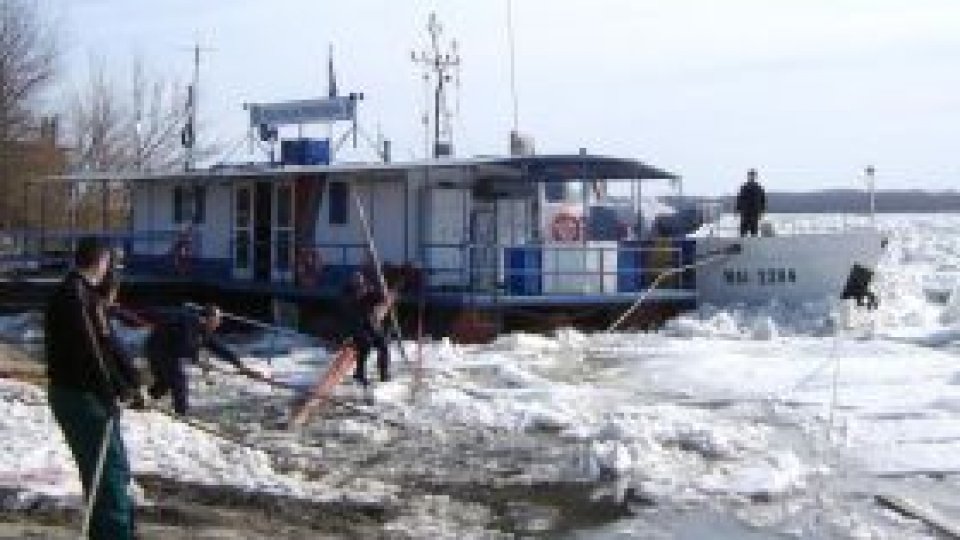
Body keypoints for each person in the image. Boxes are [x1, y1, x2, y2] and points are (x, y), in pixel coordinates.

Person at [44, 236, 137, 540]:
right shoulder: (75, 295)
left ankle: (110, 532)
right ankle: (113, 534)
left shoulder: (85, 294)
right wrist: (111, 392)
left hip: (88, 393)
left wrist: (130, 385)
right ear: (101, 261)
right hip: (83, 396)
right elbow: (92, 350)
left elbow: (107, 347)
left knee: (114, 472)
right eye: (110, 262)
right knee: (107, 476)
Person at [144, 303, 254, 415]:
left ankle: (142, 400)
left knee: (165, 383)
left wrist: (239, 364)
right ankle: (182, 414)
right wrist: (198, 361)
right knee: (179, 380)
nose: (219, 323)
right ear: (208, 318)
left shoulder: (204, 330)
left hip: (163, 350)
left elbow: (220, 349)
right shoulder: (190, 323)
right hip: (159, 350)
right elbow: (185, 346)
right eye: (217, 319)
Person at [342, 271, 395, 387]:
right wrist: (361, 295)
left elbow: (379, 297)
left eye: (361, 284)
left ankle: (383, 373)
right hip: (356, 326)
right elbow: (350, 306)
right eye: (357, 284)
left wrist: (387, 296)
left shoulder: (368, 291)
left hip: (371, 324)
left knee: (383, 344)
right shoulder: (347, 294)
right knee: (366, 344)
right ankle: (359, 373)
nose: (360, 287)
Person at [735, 168, 767, 237]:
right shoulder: (744, 188)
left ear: (755, 177)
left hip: (755, 213)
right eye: (750, 175)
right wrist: (738, 210)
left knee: (754, 232)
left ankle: (753, 245)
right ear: (748, 176)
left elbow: (762, 201)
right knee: (743, 231)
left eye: (753, 175)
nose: (751, 177)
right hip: (745, 213)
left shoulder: (759, 189)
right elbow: (739, 199)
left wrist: (762, 211)